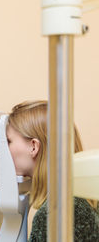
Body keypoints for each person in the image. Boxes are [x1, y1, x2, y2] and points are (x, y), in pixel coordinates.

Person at [6, 100, 99, 241]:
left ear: (33, 147)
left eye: (9, 141)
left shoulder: (56, 213)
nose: (4, 150)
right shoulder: (76, 202)